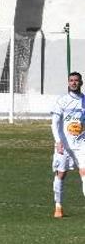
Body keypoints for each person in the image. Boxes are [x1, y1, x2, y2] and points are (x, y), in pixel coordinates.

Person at [50, 71, 85, 219]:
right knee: (61, 175)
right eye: (71, 80)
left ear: (81, 83)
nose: (74, 83)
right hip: (64, 144)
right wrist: (58, 141)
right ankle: (58, 206)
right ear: (68, 83)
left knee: (84, 173)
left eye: (76, 80)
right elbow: (54, 123)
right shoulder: (62, 101)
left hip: (81, 144)